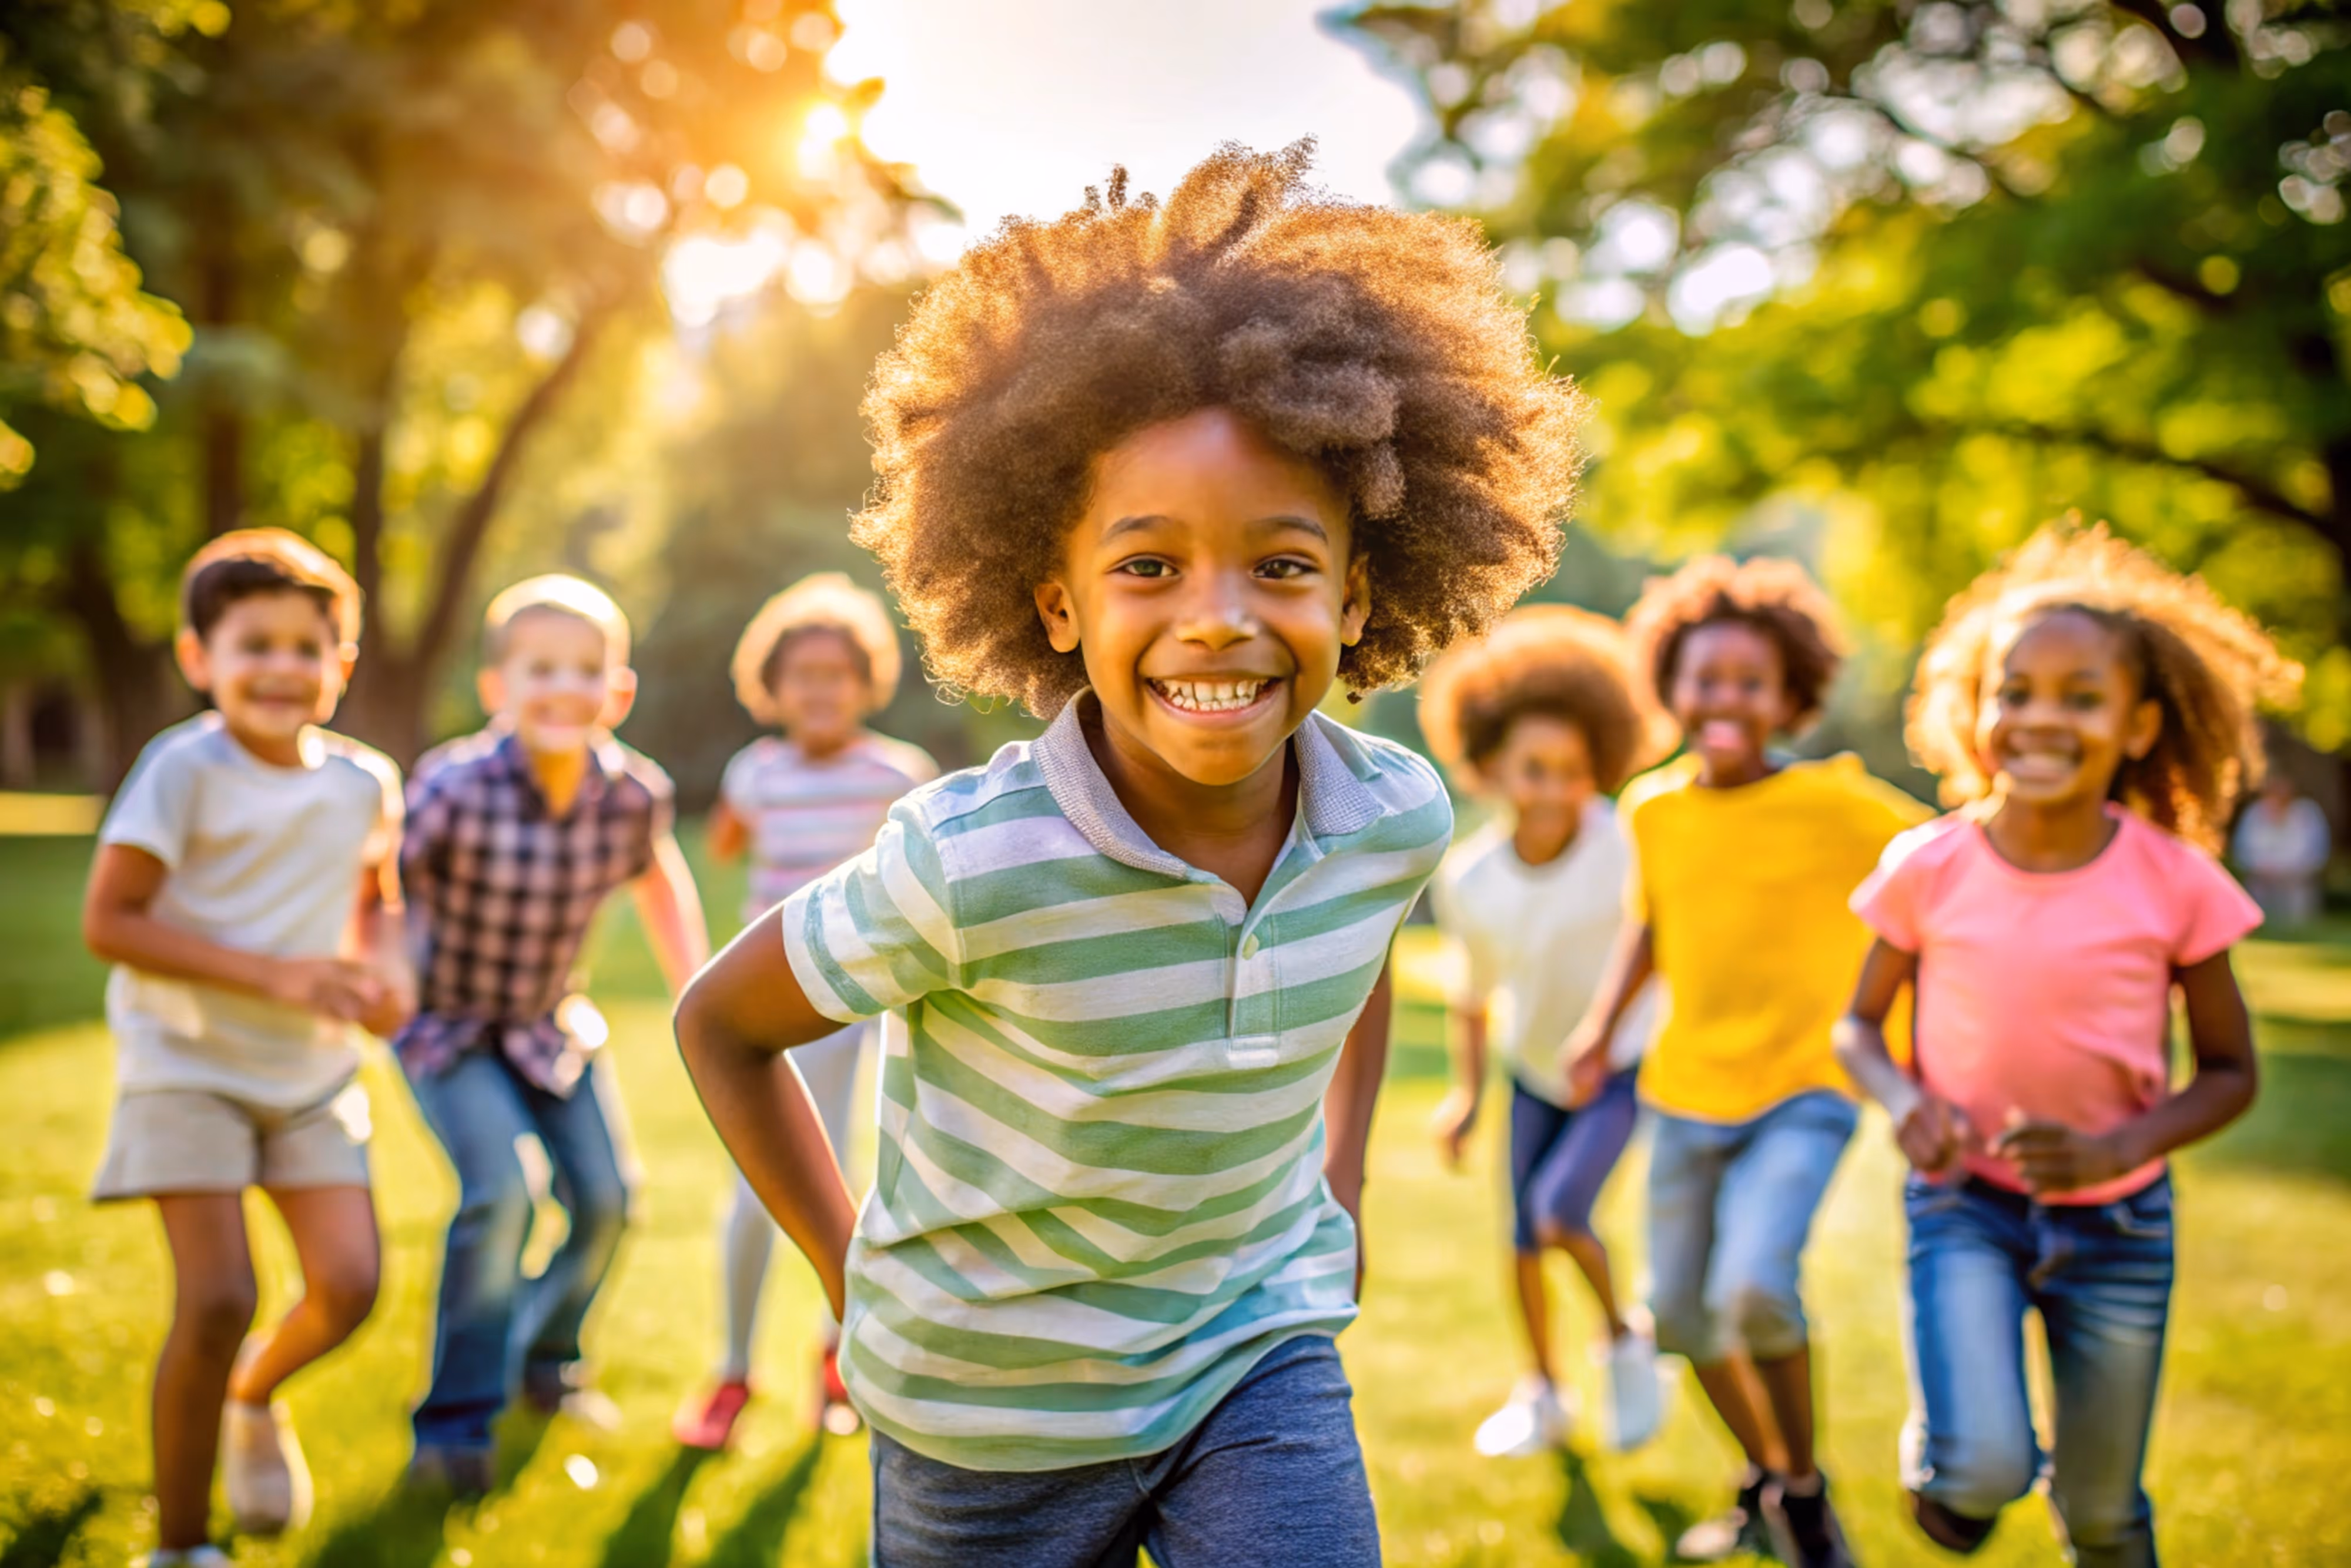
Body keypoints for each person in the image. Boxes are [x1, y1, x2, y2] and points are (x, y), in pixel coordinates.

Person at [675, 142, 1580, 1567]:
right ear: (1054, 604)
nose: (1216, 617)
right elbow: (720, 1023)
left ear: (1356, 596)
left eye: (1280, 566)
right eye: (1147, 566)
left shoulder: (1391, 816)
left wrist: (1336, 1183)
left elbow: (1353, 965)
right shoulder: (969, 862)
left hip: (1251, 1358)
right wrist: (851, 1272)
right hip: (984, 1419)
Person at [1836, 524, 2298, 1567]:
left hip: (2121, 1226)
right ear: (1978, 706)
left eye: (2080, 698)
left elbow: (2230, 1073)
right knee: (1983, 1472)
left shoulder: (2176, 881)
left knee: (2101, 1515)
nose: (2041, 717)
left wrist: (2118, 1149)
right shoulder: (1929, 864)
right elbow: (1857, 1025)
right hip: (1966, 1204)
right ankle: (1955, 1460)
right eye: (2016, 691)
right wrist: (1904, 1100)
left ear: (2138, 725)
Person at [1563, 554, 1930, 1568]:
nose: (1726, 699)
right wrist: (1600, 1026)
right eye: (1706, 678)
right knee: (1679, 1313)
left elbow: (1951, 864)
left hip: (1803, 1087)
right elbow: (1653, 925)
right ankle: (1772, 1479)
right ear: (1670, 685)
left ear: (1791, 696)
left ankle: (1801, 1497)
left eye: (1751, 682)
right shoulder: (1653, 807)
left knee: (1755, 1287)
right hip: (1685, 1090)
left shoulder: (1836, 806)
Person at [82, 530, 411, 1566]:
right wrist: (277, 975)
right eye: (252, 643)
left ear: (341, 665)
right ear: (199, 659)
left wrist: (386, 972)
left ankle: (253, 1391)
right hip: (184, 1062)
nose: (280, 665)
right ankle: (182, 1545)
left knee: (350, 1285)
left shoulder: (364, 782)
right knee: (221, 1293)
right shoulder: (182, 766)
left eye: (306, 645)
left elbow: (376, 895)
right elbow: (113, 921)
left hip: (310, 1073)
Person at [396, 574, 710, 1496]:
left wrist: (697, 990)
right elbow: (383, 887)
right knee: (502, 1196)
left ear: (618, 690)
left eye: (586, 671)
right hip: (447, 1029)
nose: (563, 689)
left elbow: (661, 884)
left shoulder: (631, 796)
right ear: (498, 686)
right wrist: (374, 976)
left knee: (609, 1200)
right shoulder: (453, 785)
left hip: (548, 1026)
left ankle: (547, 1360)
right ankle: (452, 1430)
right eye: (541, 670)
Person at [673, 573, 939, 1450]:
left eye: (838, 675)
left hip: (877, 1003)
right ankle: (734, 1370)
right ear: (771, 689)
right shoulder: (756, 772)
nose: (820, 692)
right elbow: (727, 843)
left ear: (867, 683)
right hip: (781, 1007)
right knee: (766, 1186)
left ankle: (839, 1356)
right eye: (802, 677)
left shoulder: (897, 776)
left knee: (858, 1172)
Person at [1418, 605, 1670, 1459]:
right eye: (1534, 769)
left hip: (1623, 1065)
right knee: (1520, 1238)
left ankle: (1624, 1339)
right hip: (1532, 1070)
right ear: (1490, 768)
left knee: (1562, 1215)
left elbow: (1665, 939)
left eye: (1573, 770)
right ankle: (1544, 1392)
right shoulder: (1470, 879)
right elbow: (1471, 997)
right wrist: (1465, 1097)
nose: (1556, 788)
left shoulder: (1627, 842)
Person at [2232, 769, 2330, 925]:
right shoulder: (2254, 814)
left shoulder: (2307, 814)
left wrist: (2288, 871)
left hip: (2297, 885)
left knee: (2297, 919)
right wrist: (2261, 868)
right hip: (2261, 883)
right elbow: (2242, 852)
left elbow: (2317, 854)